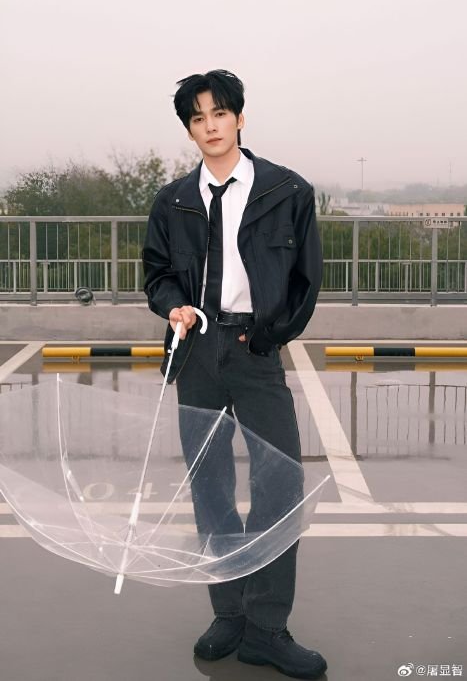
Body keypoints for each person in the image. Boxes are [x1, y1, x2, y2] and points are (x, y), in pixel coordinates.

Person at [142, 69, 325, 680]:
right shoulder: (173, 200)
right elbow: (157, 272)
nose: (211, 125)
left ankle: (267, 627)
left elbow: (305, 280)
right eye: (198, 118)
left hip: (254, 349)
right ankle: (229, 613)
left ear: (240, 118)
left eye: (220, 113)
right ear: (189, 130)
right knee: (210, 485)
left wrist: (268, 336)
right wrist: (173, 304)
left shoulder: (286, 191)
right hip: (196, 350)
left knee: (280, 483)